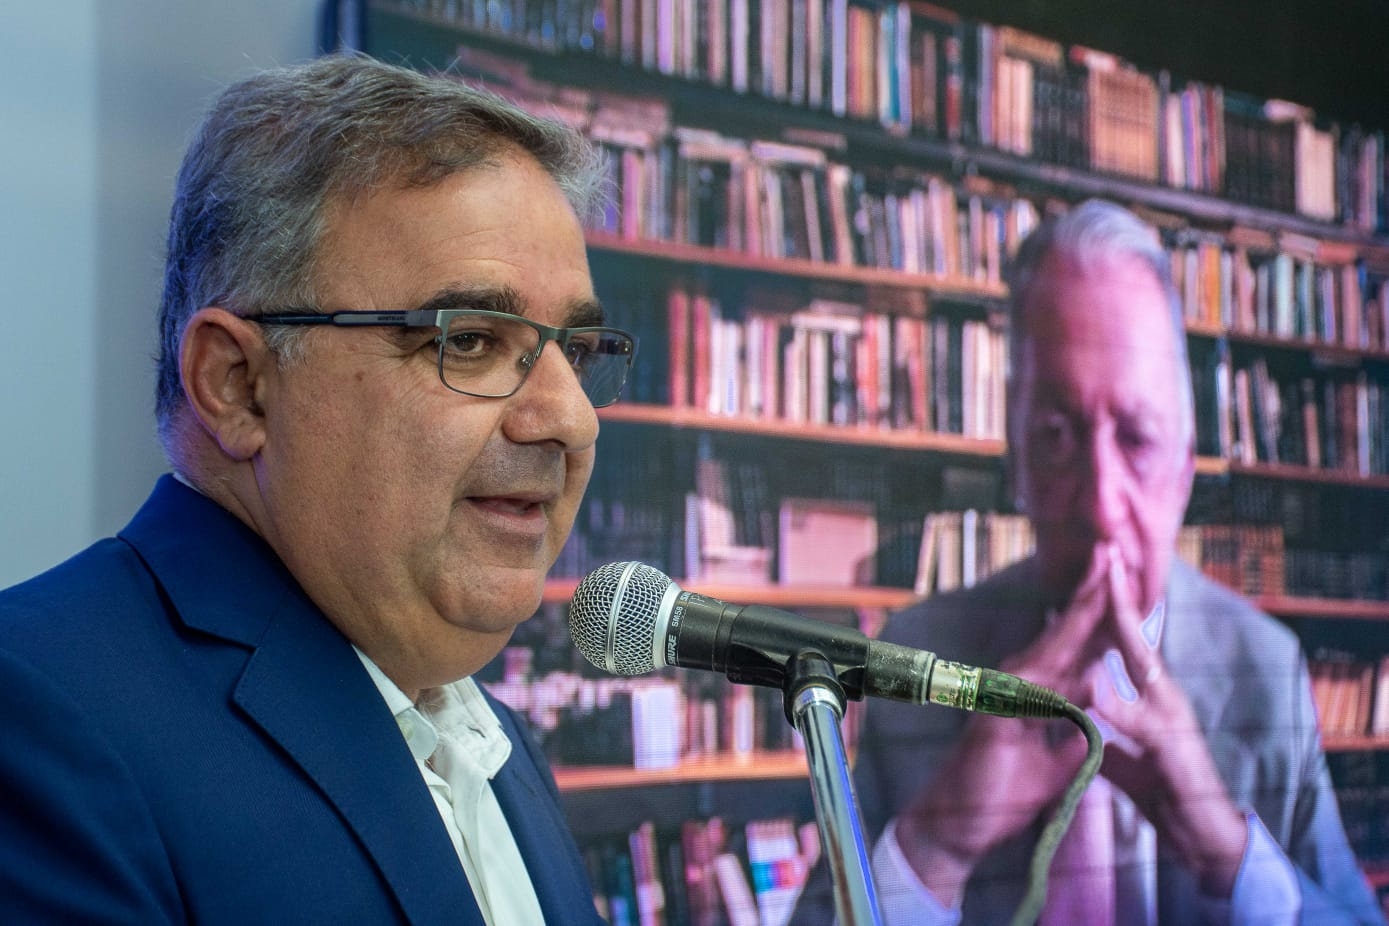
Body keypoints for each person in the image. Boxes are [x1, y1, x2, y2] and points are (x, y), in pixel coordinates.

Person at [0, 53, 637, 925]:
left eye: (579, 351)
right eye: (468, 341)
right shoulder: (37, 712)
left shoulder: (494, 739)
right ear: (238, 385)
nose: (569, 417)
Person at [791, 200, 1383, 925]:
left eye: (1137, 437)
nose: (1102, 507)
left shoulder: (1265, 667)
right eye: (1056, 435)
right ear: (1015, 460)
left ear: (1185, 468)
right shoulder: (913, 660)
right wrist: (935, 844)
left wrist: (1232, 857)